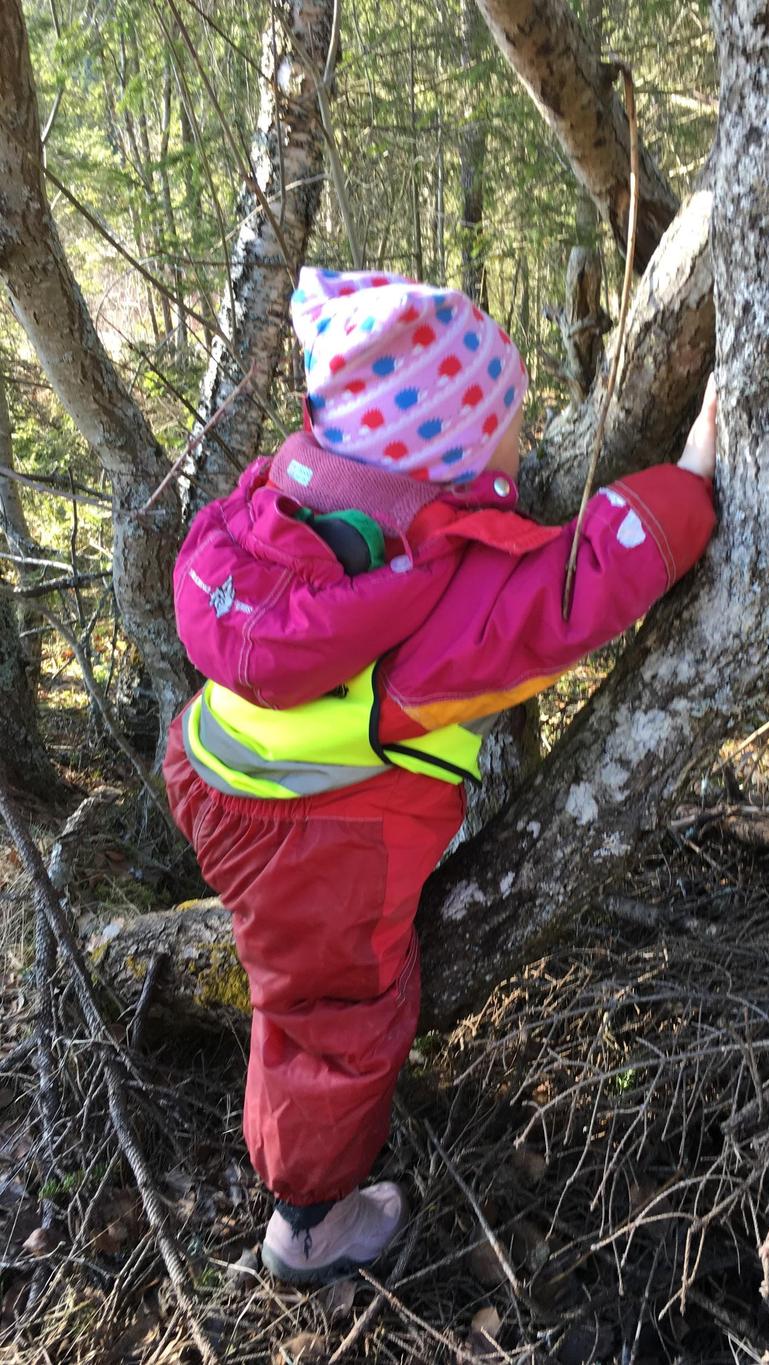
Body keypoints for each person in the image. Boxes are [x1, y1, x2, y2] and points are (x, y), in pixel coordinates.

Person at [163, 267, 718, 1286]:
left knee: (303, 979)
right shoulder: (431, 606)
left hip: (218, 772)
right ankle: (306, 1221)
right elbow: (570, 593)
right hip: (309, 836)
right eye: (503, 424)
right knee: (334, 1014)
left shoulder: (288, 511)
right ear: (444, 460)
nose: (521, 438)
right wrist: (687, 488)